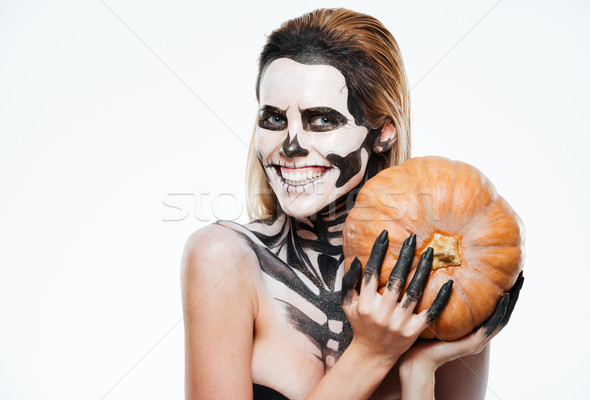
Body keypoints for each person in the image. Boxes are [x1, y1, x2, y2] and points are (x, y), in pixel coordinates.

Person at [181, 8, 523, 400]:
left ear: (383, 133)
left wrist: (419, 368)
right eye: (274, 119)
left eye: (322, 120)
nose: (290, 146)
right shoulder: (225, 261)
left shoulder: (440, 276)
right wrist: (372, 354)